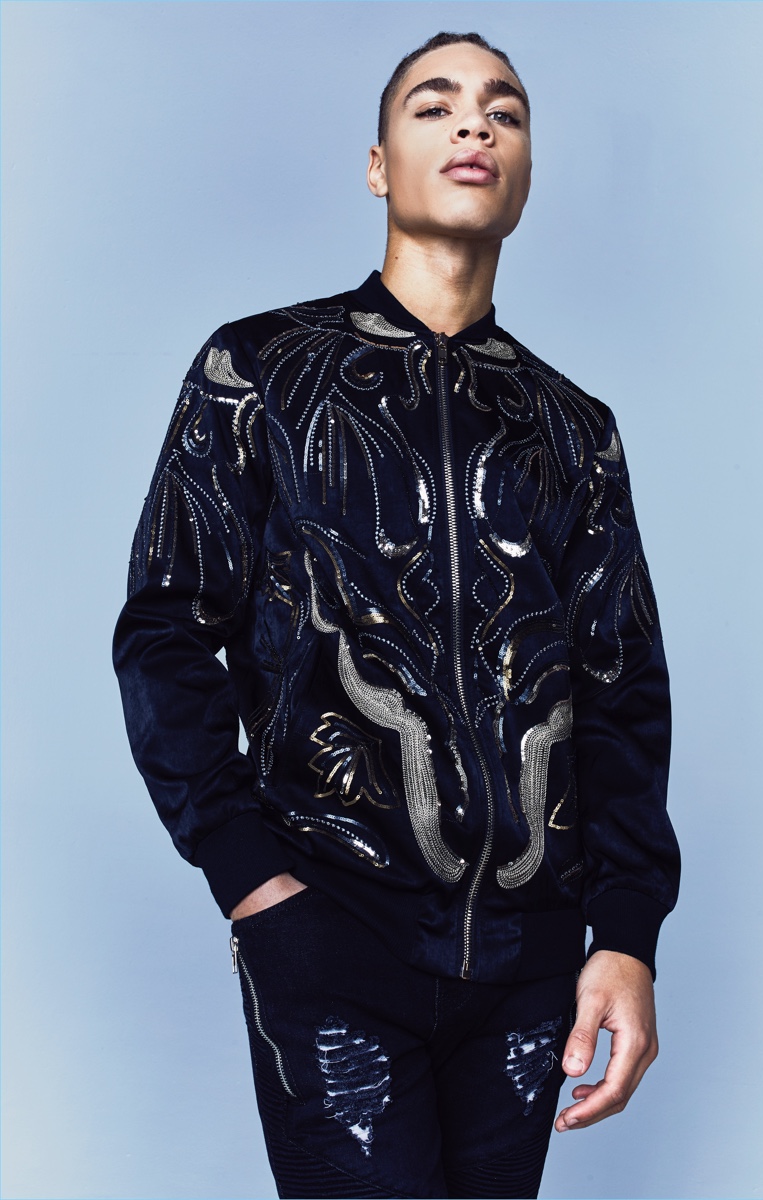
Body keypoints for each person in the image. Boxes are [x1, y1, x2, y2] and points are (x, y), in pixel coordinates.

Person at [113, 30, 680, 1200]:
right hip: (330, 930)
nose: (474, 124)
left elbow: (620, 689)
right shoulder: (258, 373)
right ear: (377, 166)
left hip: (529, 960)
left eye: (503, 112)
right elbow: (164, 629)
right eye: (435, 106)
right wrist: (253, 884)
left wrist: (625, 937)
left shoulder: (574, 429)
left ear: (523, 173)